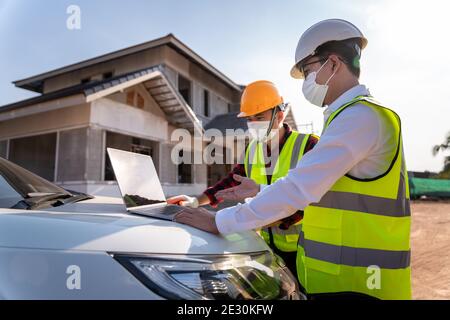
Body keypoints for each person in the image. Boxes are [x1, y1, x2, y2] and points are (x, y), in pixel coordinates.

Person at [174, 19, 411, 300]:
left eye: (309, 70)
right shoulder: (346, 119)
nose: (307, 82)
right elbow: (324, 193)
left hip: (364, 284)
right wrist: (257, 192)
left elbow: (297, 190)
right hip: (332, 278)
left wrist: (219, 222)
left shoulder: (360, 117)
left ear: (333, 64)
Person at [168, 80, 319, 278]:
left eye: (260, 117)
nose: (254, 124)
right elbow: (232, 181)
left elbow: (310, 198)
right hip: (265, 247)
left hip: (304, 249)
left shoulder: (308, 145)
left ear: (279, 116)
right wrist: (196, 201)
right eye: (249, 119)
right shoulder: (252, 149)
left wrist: (242, 218)